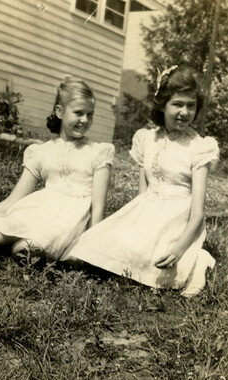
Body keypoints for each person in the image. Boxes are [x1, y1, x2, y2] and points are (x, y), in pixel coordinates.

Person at [61, 65, 220, 297]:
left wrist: (177, 250)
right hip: (146, 212)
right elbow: (141, 195)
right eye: (177, 104)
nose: (185, 112)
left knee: (156, 266)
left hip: (178, 221)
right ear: (163, 105)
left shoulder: (199, 148)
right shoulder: (147, 139)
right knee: (92, 248)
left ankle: (196, 260)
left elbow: (197, 214)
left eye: (191, 105)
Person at [0, 76, 115, 261]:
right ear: (60, 111)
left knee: (25, 251)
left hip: (69, 221)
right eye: (79, 113)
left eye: (90, 114)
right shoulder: (42, 151)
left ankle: (16, 248)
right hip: (40, 211)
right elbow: (13, 200)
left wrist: (91, 247)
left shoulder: (99, 152)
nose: (85, 120)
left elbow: (99, 208)